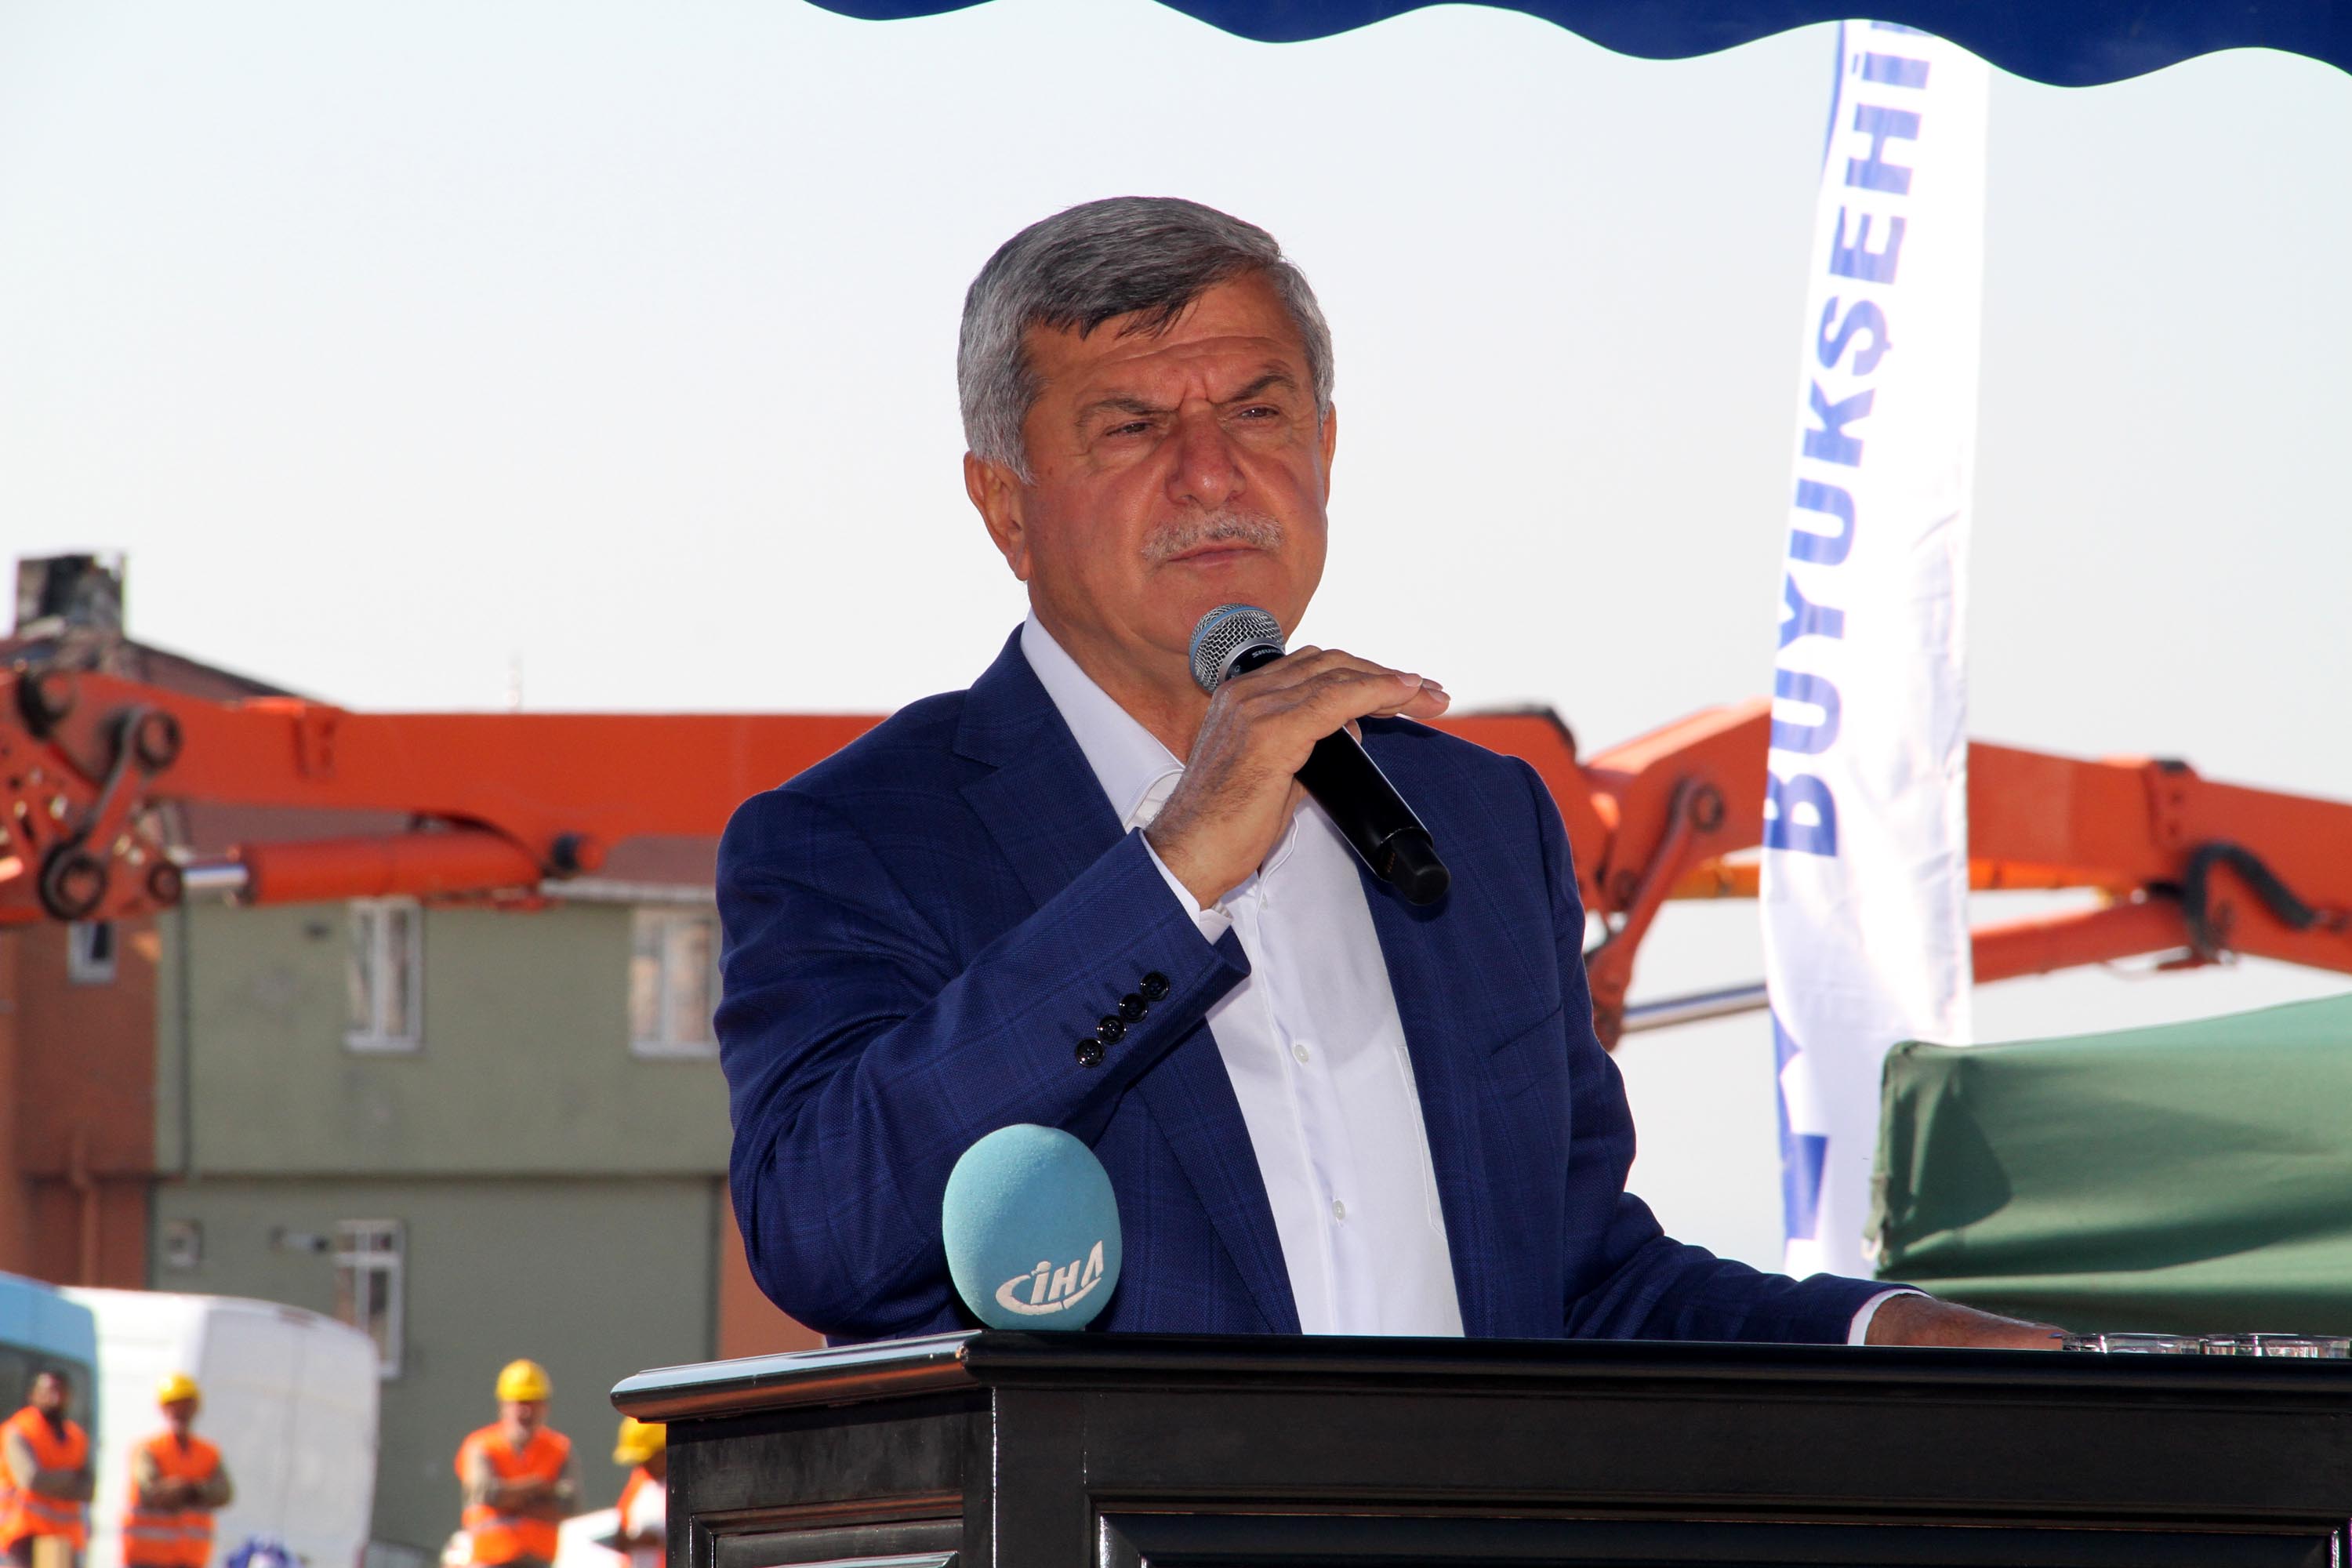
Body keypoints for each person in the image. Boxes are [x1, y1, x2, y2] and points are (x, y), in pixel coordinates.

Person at [716, 195, 2058, 1351]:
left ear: (1326, 448)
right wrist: (1175, 871)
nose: (1211, 473)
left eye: (1259, 411)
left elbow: (1579, 1286)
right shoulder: (853, 837)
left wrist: (1881, 1336)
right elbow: (827, 1230)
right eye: (1131, 427)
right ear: (1005, 504)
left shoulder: (1477, 820)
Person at [454, 1361, 573, 1568]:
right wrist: (539, 1487)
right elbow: (486, 1494)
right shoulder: (480, 1445)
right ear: (503, 1405)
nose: (526, 1411)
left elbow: (569, 1503)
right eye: (520, 1403)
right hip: (489, 1559)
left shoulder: (559, 1448)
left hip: (538, 1561)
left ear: (545, 1406)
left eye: (533, 1403)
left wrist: (508, 1499)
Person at [122, 1374, 233, 1568]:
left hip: (190, 1559)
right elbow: (149, 1492)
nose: (180, 1412)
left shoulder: (209, 1453)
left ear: (195, 1408)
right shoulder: (148, 1449)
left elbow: (224, 1493)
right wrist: (193, 1491)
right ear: (163, 1409)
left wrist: (189, 1489)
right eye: (174, 1405)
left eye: (185, 1405)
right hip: (147, 1558)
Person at [0, 1370, 92, 1568]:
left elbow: (88, 1488)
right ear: (33, 1395)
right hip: (24, 1535)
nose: (55, 1398)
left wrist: (49, 1480)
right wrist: (70, 1477)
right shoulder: (19, 1430)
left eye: (60, 1392)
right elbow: (31, 1479)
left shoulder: (76, 1436)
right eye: (48, 1391)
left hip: (63, 1539)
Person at [608, 1420, 664, 1568]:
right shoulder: (639, 1481)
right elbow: (622, 1529)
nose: (643, 1465)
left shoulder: (686, 1483)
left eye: (647, 1458)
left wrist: (657, 1541)